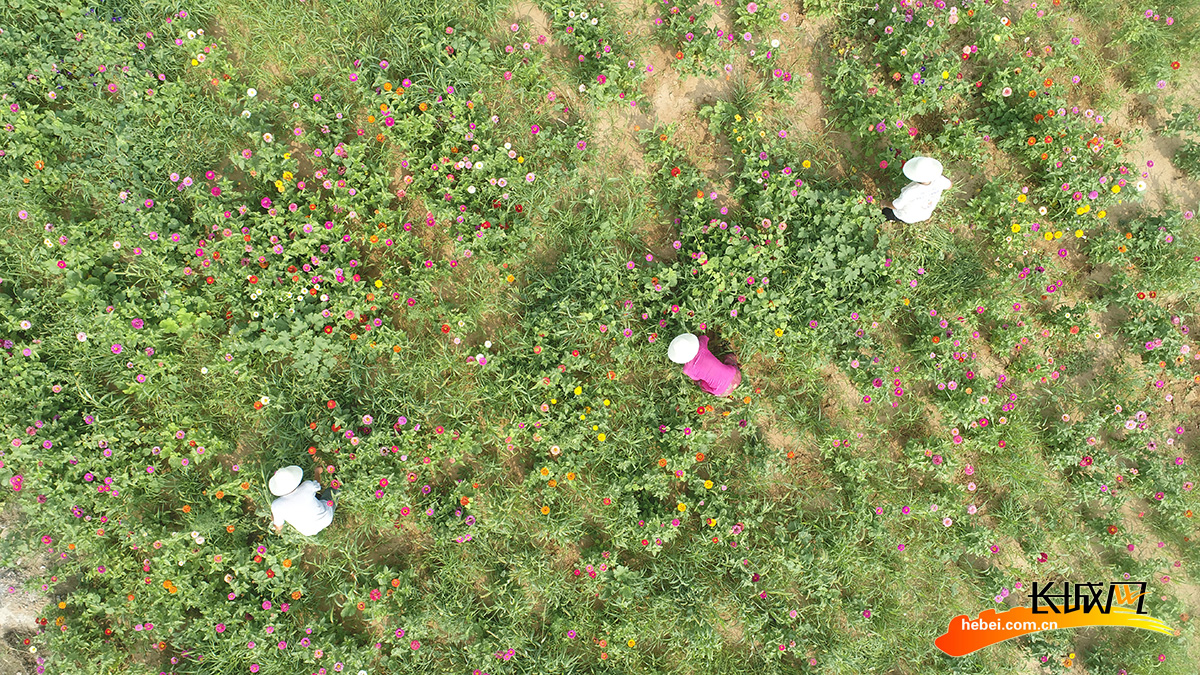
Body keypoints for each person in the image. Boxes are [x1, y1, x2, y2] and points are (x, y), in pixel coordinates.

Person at [881, 156, 952, 223]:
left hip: (906, 215)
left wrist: (884, 203)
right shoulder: (940, 180)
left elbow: (896, 206)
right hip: (924, 214)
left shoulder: (911, 191)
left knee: (885, 214)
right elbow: (950, 186)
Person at [269, 465, 336, 536]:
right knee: (332, 492)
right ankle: (341, 486)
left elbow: (279, 527)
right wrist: (317, 472)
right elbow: (317, 484)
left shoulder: (276, 506)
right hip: (326, 518)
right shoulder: (307, 486)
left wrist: (274, 516)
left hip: (308, 531)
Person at [668, 333, 742, 397]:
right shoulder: (701, 347)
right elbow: (704, 337)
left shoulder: (687, 369)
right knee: (729, 358)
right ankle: (731, 356)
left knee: (701, 384)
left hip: (723, 392)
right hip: (736, 375)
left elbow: (696, 379)